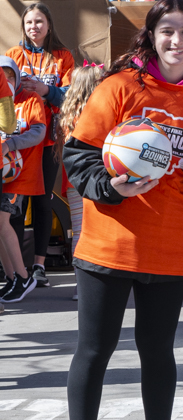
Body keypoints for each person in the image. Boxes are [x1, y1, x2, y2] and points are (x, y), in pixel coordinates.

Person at [62, 0, 183, 420]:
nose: (177, 42)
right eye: (167, 32)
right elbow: (78, 156)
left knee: (158, 351)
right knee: (96, 349)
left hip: (167, 245)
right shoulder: (119, 88)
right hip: (108, 244)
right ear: (151, 37)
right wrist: (112, 188)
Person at [5, 3, 75, 288]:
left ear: (49, 25)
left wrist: (47, 91)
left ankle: (39, 265)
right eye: (29, 22)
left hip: (48, 141)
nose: (34, 27)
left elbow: (72, 95)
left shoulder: (62, 56)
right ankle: (16, 268)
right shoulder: (13, 55)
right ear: (23, 26)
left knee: (43, 202)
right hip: (19, 142)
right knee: (15, 206)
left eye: (39, 21)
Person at [56, 61, 104, 301]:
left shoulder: (68, 116)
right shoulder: (100, 113)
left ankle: (81, 286)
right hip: (99, 180)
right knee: (98, 232)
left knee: (80, 233)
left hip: (73, 182)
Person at [0, 58, 40, 304]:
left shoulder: (29, 100)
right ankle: (11, 276)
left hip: (17, 174)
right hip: (2, 174)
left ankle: (24, 277)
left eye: (10, 76)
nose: (6, 80)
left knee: (3, 223)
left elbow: (38, 132)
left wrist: (9, 145)